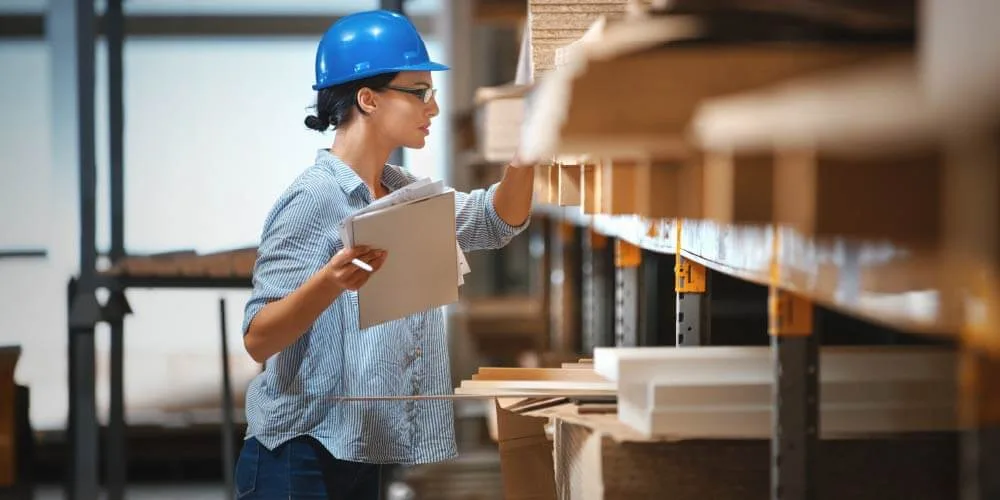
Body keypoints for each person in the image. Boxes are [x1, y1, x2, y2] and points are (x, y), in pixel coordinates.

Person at [233, 9, 535, 500]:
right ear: (368, 99)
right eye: (419, 93)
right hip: (297, 455)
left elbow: (495, 220)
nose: (432, 108)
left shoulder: (404, 195)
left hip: (361, 452)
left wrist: (526, 155)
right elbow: (259, 339)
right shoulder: (314, 199)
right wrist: (329, 282)